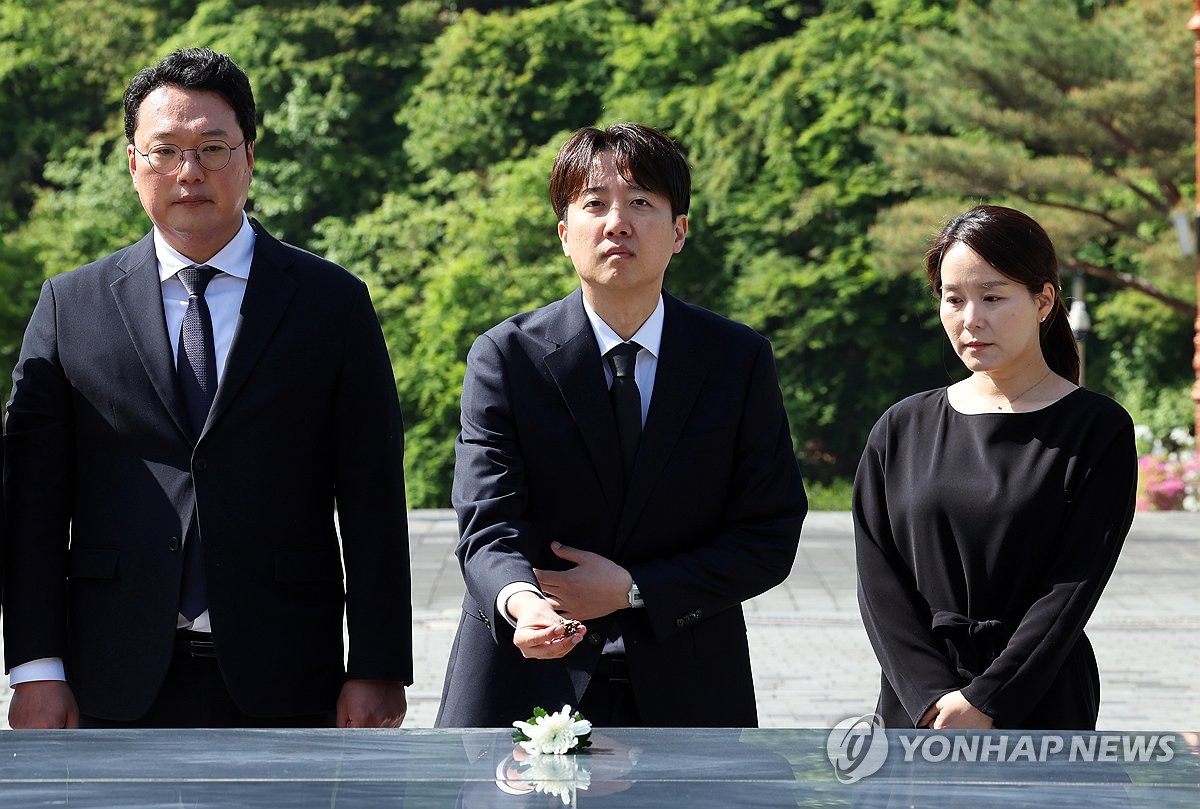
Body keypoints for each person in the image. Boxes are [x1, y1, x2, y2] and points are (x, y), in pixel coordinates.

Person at [2, 48, 412, 728]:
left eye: (213, 148)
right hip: (109, 671)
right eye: (164, 150)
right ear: (133, 163)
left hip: (290, 669)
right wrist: (37, 668)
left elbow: (372, 496)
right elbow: (33, 506)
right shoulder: (70, 306)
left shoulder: (332, 302)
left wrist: (377, 663)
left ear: (249, 155)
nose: (189, 171)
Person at [435, 123, 807, 729]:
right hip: (524, 675)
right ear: (564, 234)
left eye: (640, 202)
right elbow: (487, 523)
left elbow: (768, 533)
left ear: (679, 231)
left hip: (687, 685)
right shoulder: (506, 357)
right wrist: (522, 602)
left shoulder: (736, 361)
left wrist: (637, 588)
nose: (617, 223)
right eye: (594, 204)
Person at [853, 204, 1136, 730]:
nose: (971, 319)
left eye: (992, 297)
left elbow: (1073, 586)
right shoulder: (901, 428)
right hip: (918, 709)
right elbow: (878, 582)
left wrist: (987, 700)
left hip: (1038, 698)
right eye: (953, 299)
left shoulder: (1097, 429)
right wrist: (931, 698)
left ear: (1043, 300)